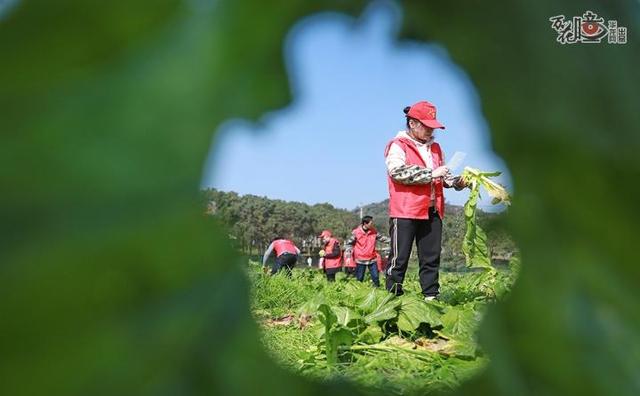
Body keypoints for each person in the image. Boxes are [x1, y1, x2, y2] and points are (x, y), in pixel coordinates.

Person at [383, 101, 467, 300]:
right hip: (405, 210)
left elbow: (443, 177)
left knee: (431, 257)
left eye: (433, 127)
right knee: (399, 258)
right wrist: (431, 173)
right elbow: (397, 172)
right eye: (427, 126)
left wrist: (458, 182)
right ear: (412, 123)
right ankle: (392, 298)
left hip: (432, 209)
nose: (431, 131)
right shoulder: (398, 145)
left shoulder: (436, 148)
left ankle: (431, 296)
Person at [344, 216, 390, 287]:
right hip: (360, 259)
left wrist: (393, 240)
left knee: (375, 277)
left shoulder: (374, 231)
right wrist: (348, 252)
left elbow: (382, 238)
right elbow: (348, 243)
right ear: (365, 223)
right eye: (371, 223)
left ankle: (377, 291)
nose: (372, 225)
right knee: (360, 278)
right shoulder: (356, 232)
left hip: (372, 258)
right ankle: (359, 292)